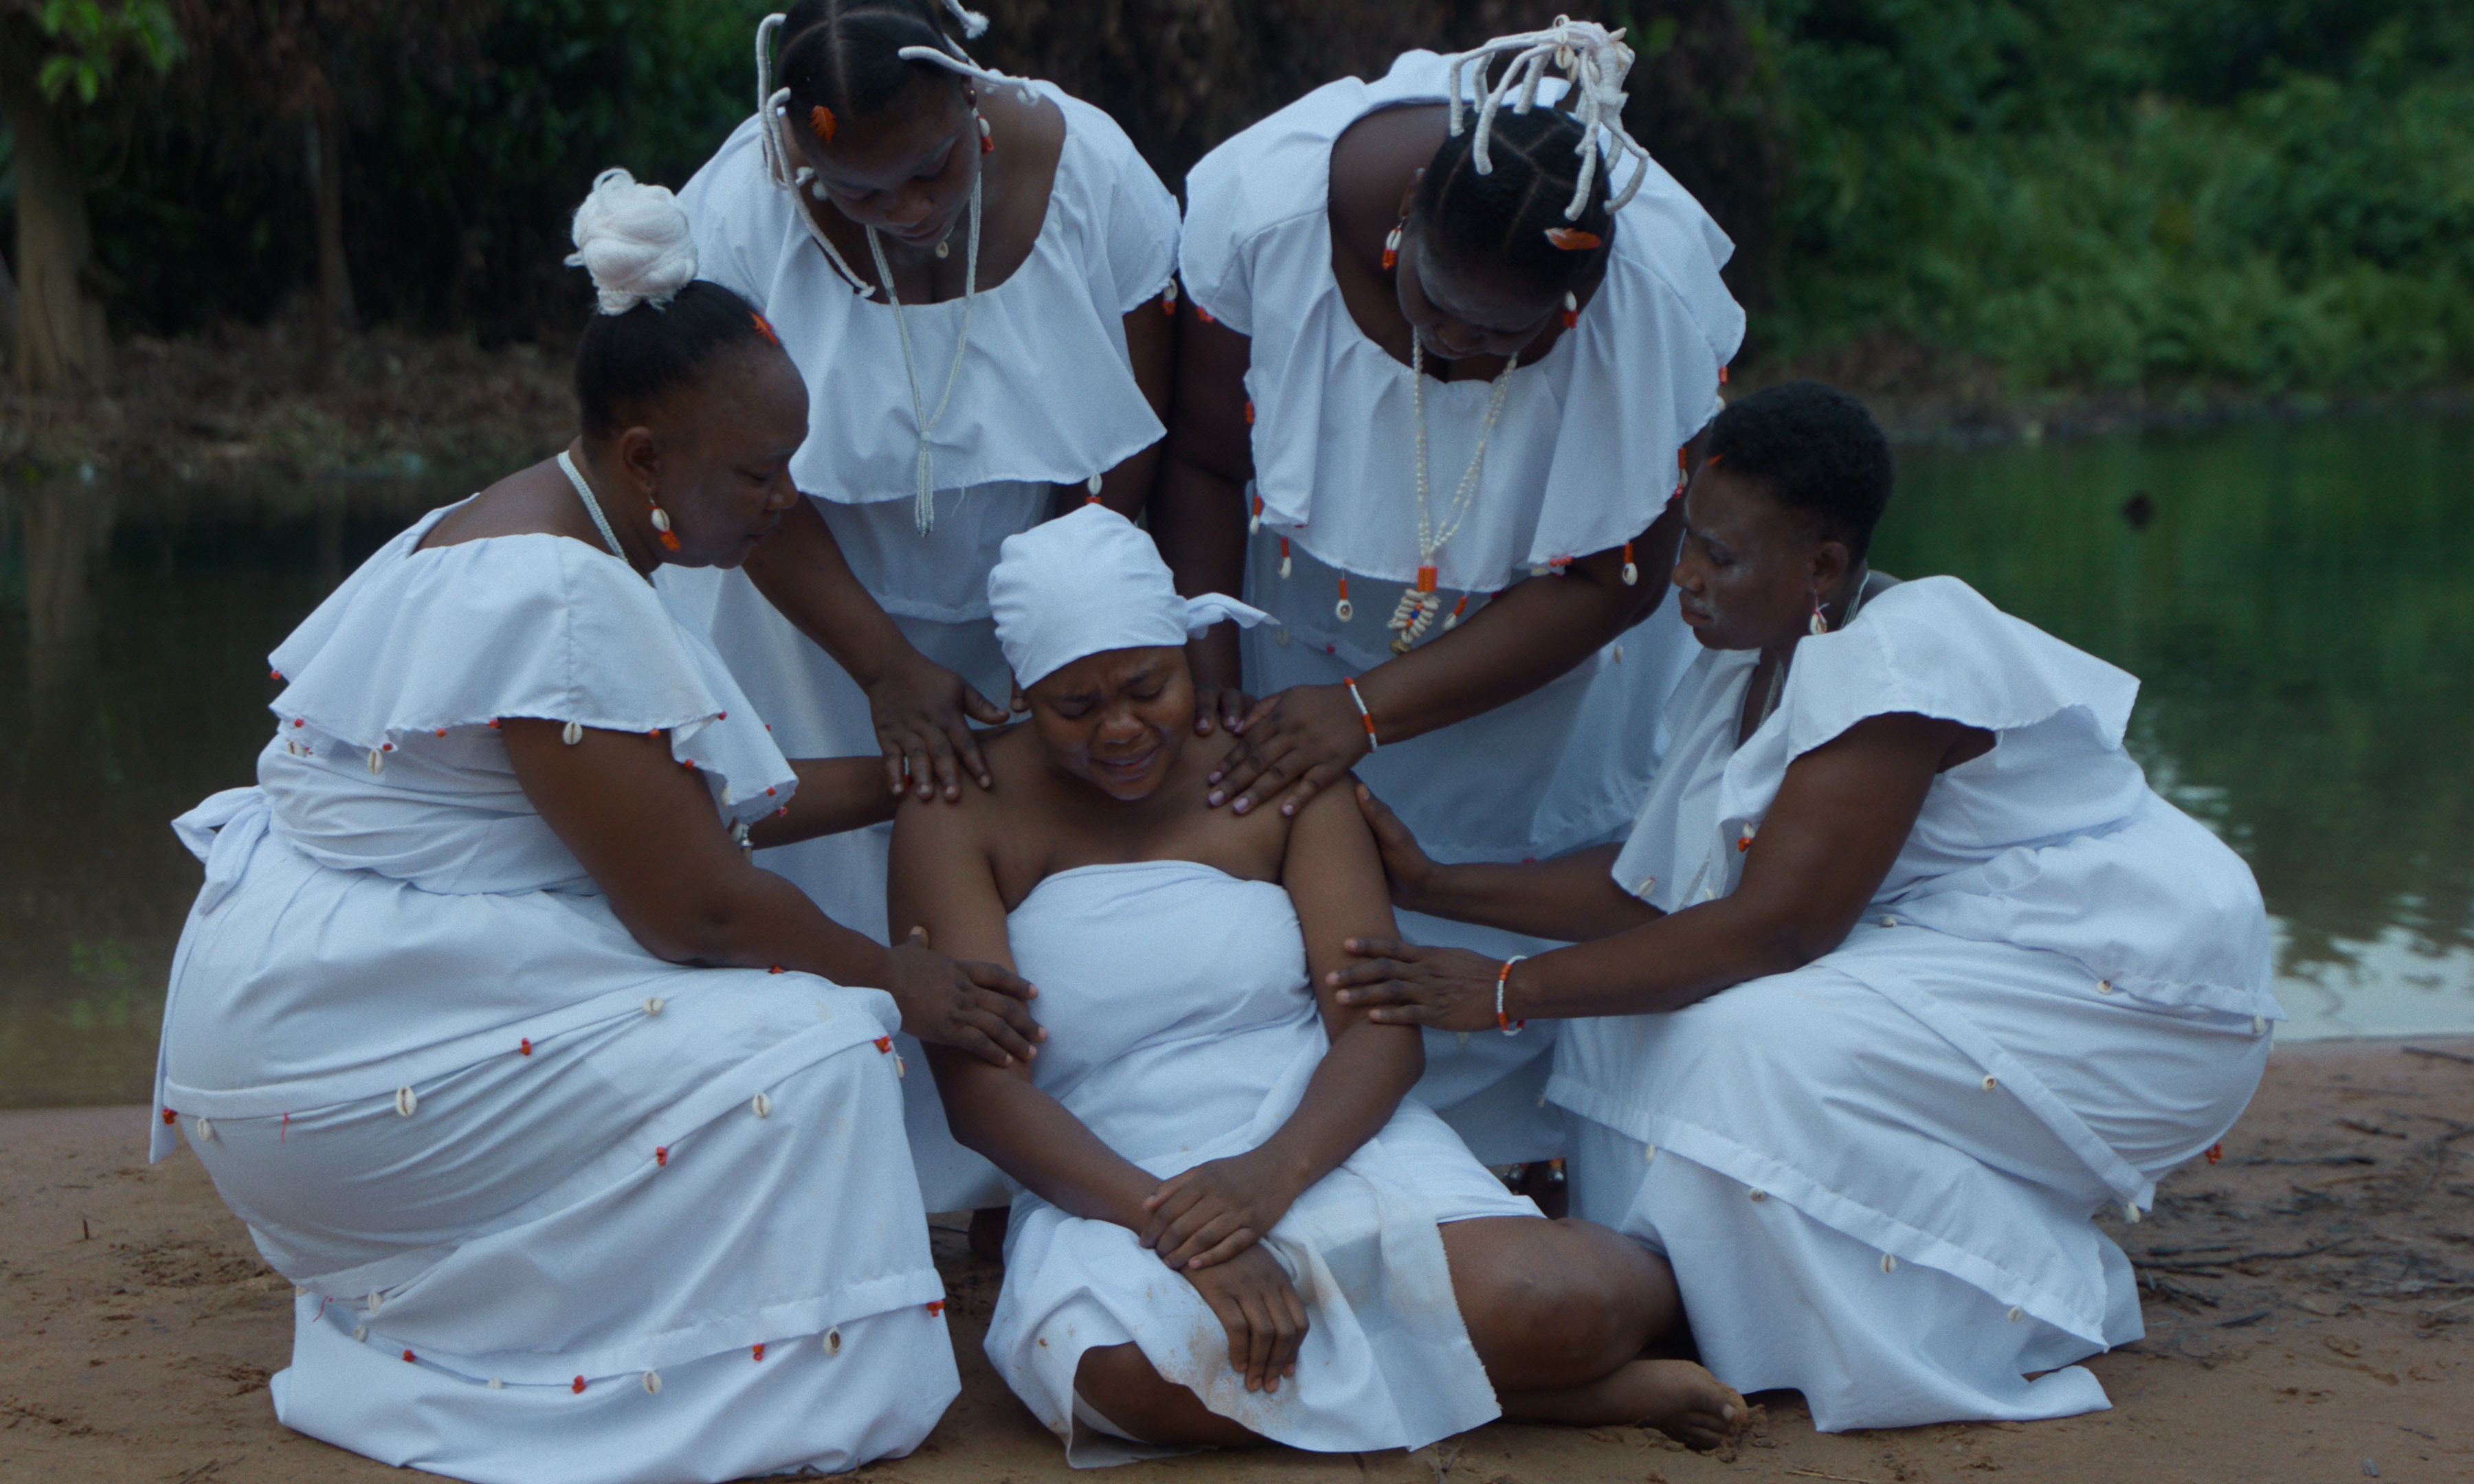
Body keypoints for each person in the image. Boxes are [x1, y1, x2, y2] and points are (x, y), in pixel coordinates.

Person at [146, 172, 1042, 1484]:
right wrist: (904, 981)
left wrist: (931, 768)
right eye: (758, 473)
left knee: (791, 1005)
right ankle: (685, 1379)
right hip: (346, 1047)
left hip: (296, 1013)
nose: (782, 502)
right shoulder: (561, 594)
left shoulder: (510, 526)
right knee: (823, 1039)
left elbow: (700, 807)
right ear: (644, 458)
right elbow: (698, 906)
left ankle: (569, 1310)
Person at [1330, 382, 2283, 1430]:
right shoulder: (1745, 661)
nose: (1685, 579)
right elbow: (1655, 893)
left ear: (1823, 566)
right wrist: (1432, 883)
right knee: (1612, 1029)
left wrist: (1508, 991)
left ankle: (2017, 1295)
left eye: (1719, 557)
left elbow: (1779, 929)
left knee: (1750, 1037)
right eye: (1687, 543)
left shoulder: (1899, 653)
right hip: (1962, 950)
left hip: (2124, 978)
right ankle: (1726, 1307)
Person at [888, 504, 1746, 1464]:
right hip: (1113, 1173)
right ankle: (1531, 1395)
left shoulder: (1273, 765)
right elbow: (982, 1096)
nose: (1121, 728)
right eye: (1074, 708)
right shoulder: (960, 808)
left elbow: (1380, 1028)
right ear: (1021, 691)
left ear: (1191, 654)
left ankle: (1489, 1371)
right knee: (1122, 1373)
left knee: (1561, 1299)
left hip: (1325, 1134)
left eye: (1148, 687)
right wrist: (1180, 1230)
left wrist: (1271, 1178)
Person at [1155, 19, 1745, 1166]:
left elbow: (1615, 579)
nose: (1460, 345)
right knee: (1315, 880)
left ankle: (1530, 1161)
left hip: (1546, 661)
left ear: (1578, 302)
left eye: (1504, 333)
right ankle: (1329, 1143)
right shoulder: (1268, 215)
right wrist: (1216, 669)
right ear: (1408, 218)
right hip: (1290, 620)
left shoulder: (1650, 299)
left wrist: (1368, 711)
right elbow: (1205, 462)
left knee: (1518, 862)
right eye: (1436, 304)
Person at [666, 0, 1181, 1211]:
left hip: (1041, 588)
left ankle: (1023, 1190)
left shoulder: (1089, 164)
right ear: (797, 152)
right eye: (854, 191)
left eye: (930, 169)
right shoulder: (730, 214)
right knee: (826, 885)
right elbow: (733, 484)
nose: (901, 209)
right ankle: (844, 1199)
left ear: (971, 96)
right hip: (798, 599)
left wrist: (1061, 632)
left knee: (1031, 871)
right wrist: (886, 668)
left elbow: (1131, 431)